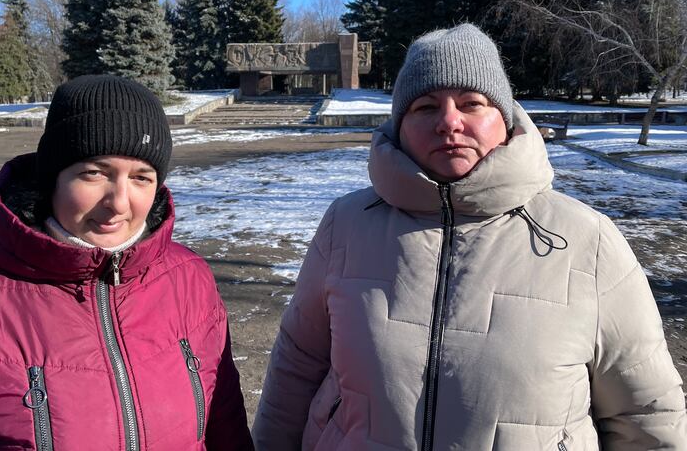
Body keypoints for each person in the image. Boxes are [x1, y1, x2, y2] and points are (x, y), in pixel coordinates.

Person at [253, 24, 687, 450]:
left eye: (472, 103)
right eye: (425, 106)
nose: (449, 122)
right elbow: (296, 368)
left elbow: (646, 415)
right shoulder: (345, 225)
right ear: (400, 125)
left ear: (505, 119)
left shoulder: (586, 240)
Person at [0, 75, 254, 450]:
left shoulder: (190, 282)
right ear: (53, 180)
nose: (119, 202)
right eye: (94, 173)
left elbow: (224, 424)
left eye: (141, 178)